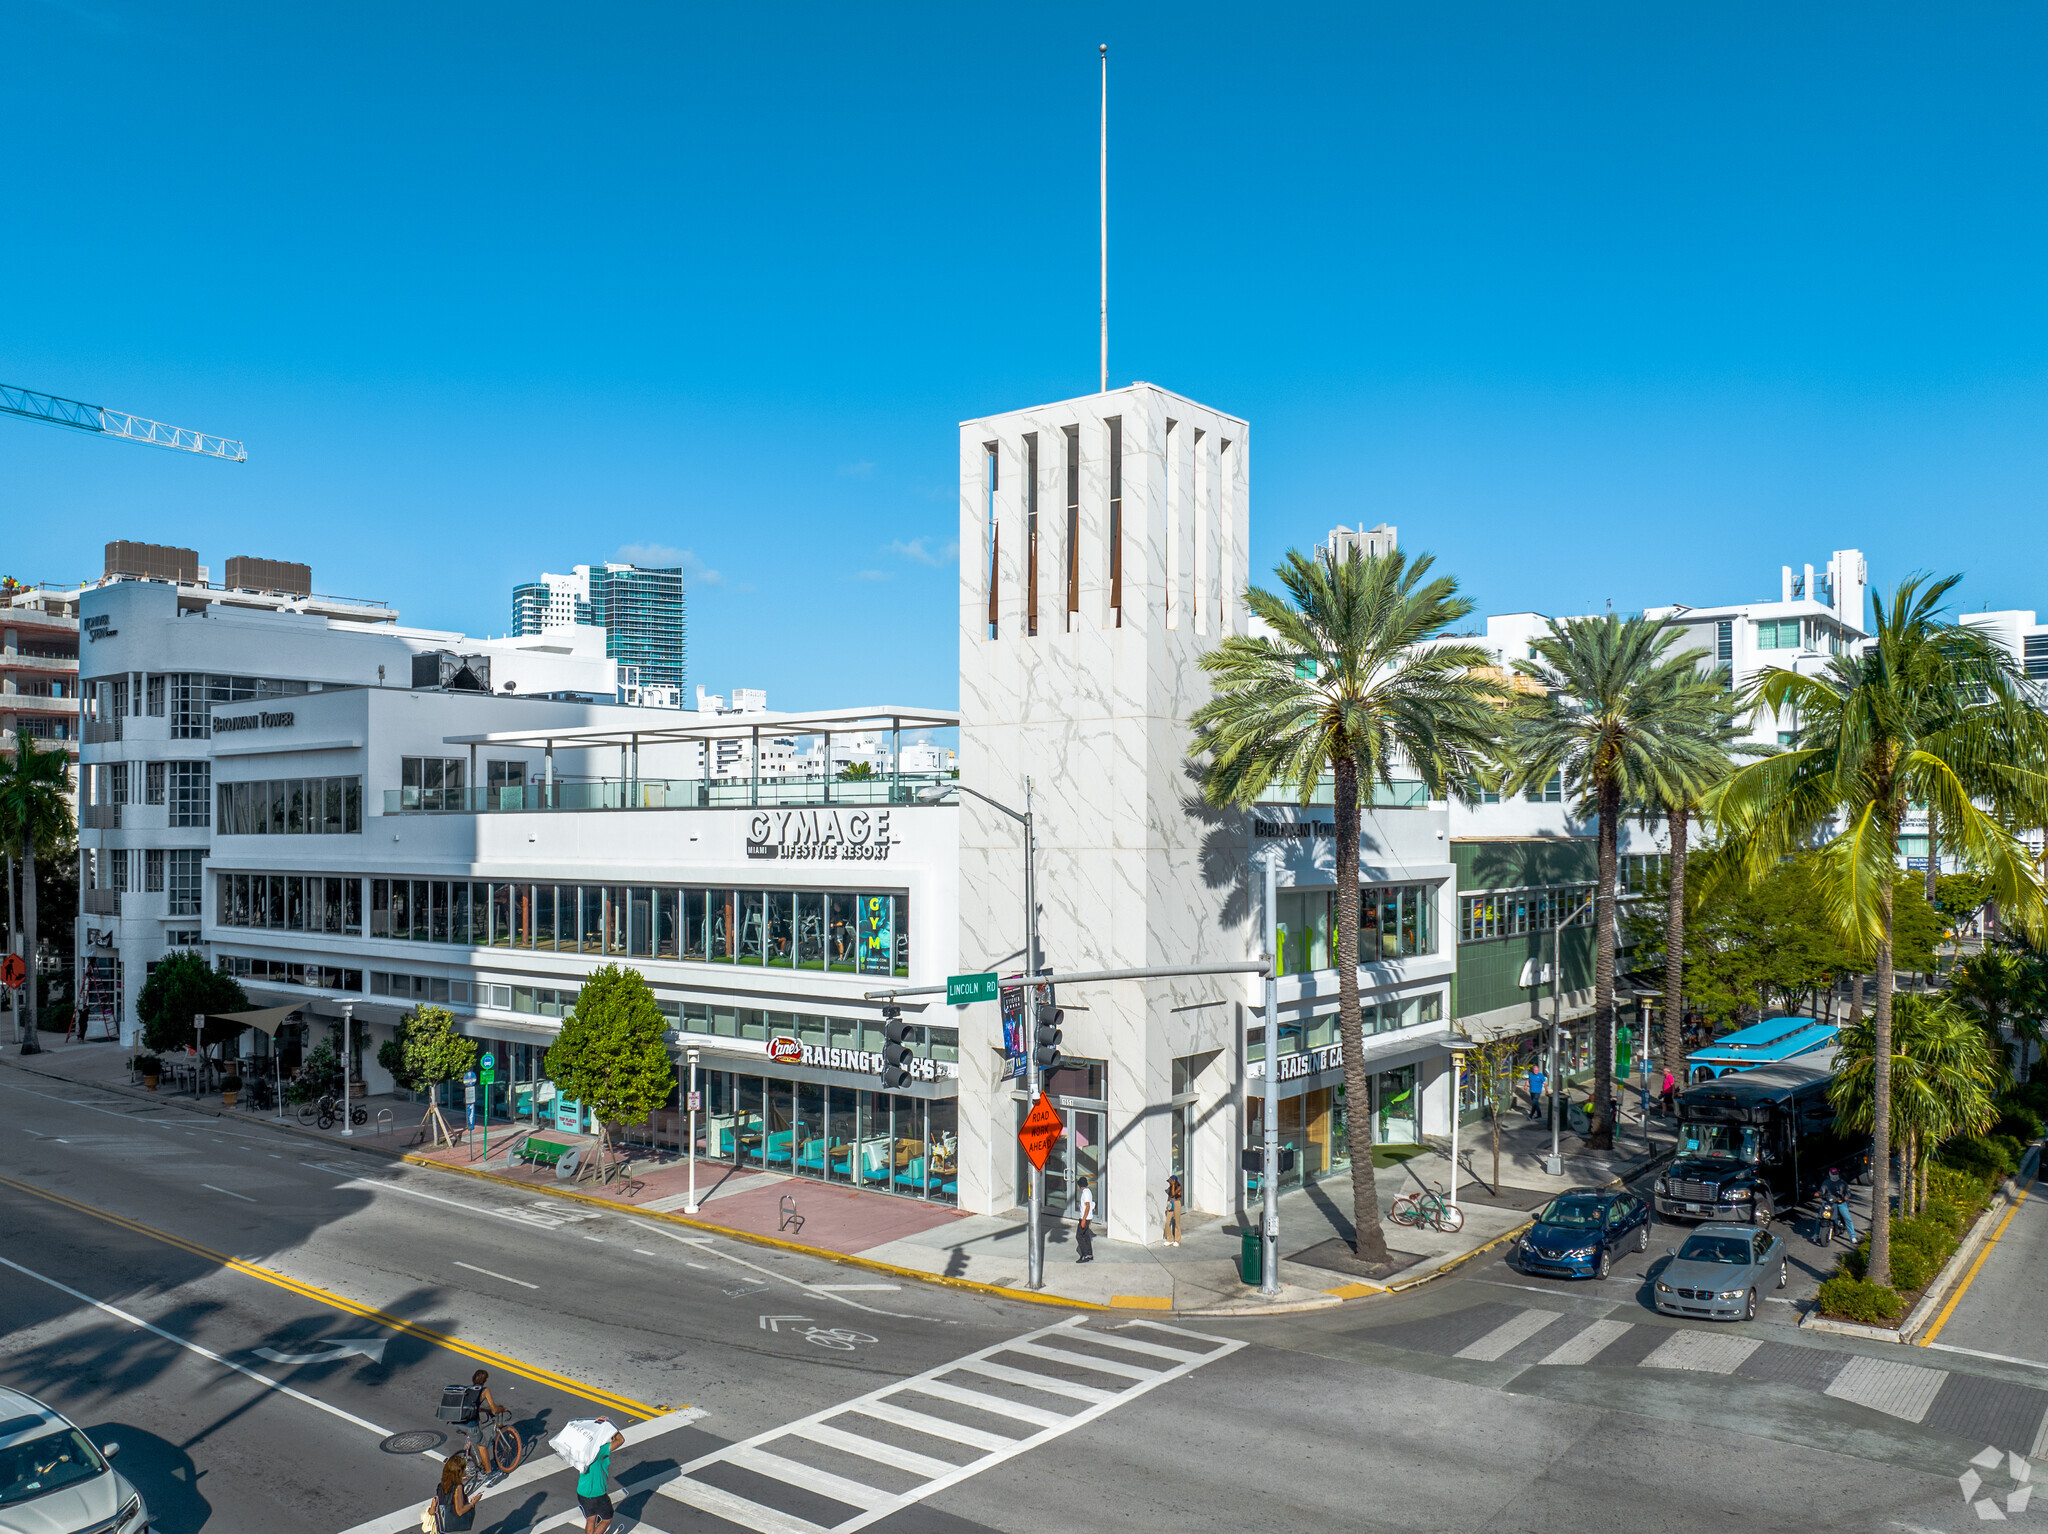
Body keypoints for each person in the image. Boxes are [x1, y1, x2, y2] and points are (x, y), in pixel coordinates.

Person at [577, 1424, 627, 1534]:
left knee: (591, 1518)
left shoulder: (580, 1451)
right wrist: (610, 1427)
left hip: (582, 1491)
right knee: (606, 1519)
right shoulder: (599, 1451)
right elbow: (620, 1440)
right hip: (598, 1493)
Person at [464, 1369, 504, 1477]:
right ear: (485, 1380)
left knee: (469, 1441)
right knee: (482, 1445)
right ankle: (488, 1474)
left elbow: (470, 1406)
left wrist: (483, 1410)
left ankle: (466, 1465)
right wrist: (503, 1409)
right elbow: (495, 1409)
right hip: (471, 1423)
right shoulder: (484, 1390)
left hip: (459, 1420)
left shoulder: (468, 1389)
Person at [429, 1450, 480, 1531]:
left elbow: (432, 1511)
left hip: (441, 1528)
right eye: (463, 1469)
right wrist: (473, 1503)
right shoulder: (457, 1487)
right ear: (459, 1472)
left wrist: (433, 1506)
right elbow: (460, 1511)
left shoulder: (441, 1486)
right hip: (452, 1528)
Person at [1818, 1166, 1857, 1243]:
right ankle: (1816, 1234)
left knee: (1847, 1218)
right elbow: (1822, 1190)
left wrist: (1846, 1196)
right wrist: (1818, 1193)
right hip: (1830, 1203)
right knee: (1820, 1217)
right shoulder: (1826, 1182)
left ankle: (1852, 1236)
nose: (1835, 1175)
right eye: (1833, 1174)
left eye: (1836, 1174)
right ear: (1830, 1174)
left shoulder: (1842, 1183)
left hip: (1840, 1203)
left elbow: (1848, 1192)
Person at [1074, 1176, 1095, 1263]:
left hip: (1085, 1218)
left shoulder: (1085, 1193)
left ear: (1080, 1185)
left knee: (1079, 1236)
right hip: (1088, 1218)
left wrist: (1083, 1220)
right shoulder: (1088, 1191)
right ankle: (1089, 1254)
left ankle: (1084, 1255)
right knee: (1086, 1236)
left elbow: (1087, 1206)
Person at [1163, 1172, 1183, 1247]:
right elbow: (1170, 1195)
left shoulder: (1179, 1187)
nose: (1170, 1183)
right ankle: (1169, 1238)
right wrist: (1167, 1205)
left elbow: (1174, 1194)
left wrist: (1174, 1185)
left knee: (1177, 1222)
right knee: (1167, 1222)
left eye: (1171, 1181)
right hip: (1171, 1203)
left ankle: (1177, 1240)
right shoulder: (1170, 1187)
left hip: (1177, 1203)